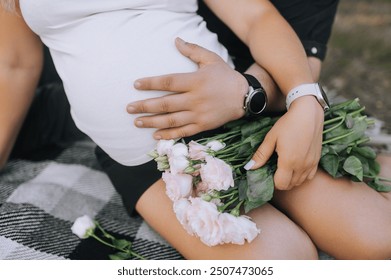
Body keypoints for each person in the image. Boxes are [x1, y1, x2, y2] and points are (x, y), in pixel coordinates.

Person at [1, 0, 390, 260]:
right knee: (284, 260)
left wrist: (305, 99)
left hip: (239, 121)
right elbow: (15, 63)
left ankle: (372, 167)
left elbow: (257, 17)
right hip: (142, 159)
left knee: (376, 239)